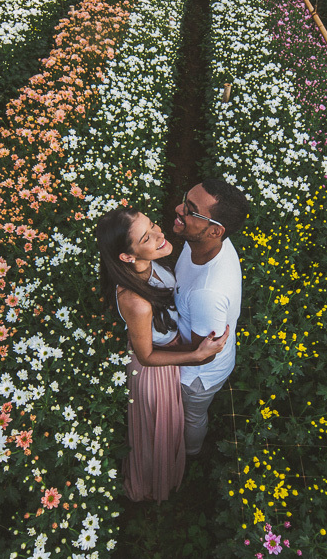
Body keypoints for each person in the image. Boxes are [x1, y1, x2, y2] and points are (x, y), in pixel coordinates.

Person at [97, 207, 228, 502]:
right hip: (155, 371)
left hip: (170, 349)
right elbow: (145, 356)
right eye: (147, 237)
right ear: (128, 256)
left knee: (171, 424)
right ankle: (154, 485)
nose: (160, 235)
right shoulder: (136, 302)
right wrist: (196, 355)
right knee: (160, 430)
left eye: (154, 224)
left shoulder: (149, 264)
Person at [170, 179, 249, 457]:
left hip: (196, 377)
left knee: (192, 416)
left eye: (191, 210)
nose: (178, 209)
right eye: (184, 199)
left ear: (215, 231)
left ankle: (190, 453)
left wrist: (153, 351)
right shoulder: (205, 245)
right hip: (196, 341)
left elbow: (204, 354)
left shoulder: (208, 292)